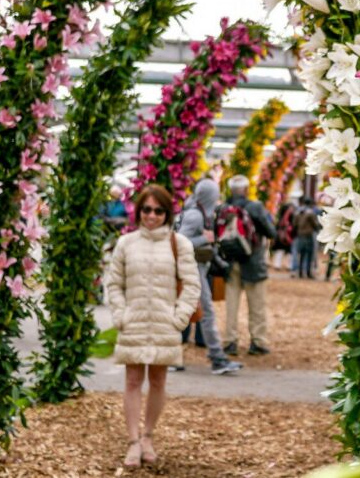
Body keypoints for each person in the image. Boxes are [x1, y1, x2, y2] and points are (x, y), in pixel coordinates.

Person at [104, 184, 200, 467]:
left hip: (164, 324)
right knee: (133, 381)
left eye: (159, 210)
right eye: (147, 209)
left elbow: (192, 285)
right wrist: (121, 314)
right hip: (133, 323)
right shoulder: (126, 243)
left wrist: (179, 318)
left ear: (167, 213)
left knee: (158, 380)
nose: (152, 215)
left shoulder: (179, 244)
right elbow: (114, 283)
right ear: (139, 212)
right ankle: (133, 441)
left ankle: (148, 436)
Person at [177, 178, 243, 375]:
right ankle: (217, 358)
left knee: (190, 312)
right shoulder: (196, 216)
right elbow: (181, 239)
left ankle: (172, 357)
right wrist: (203, 239)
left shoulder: (199, 212)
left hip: (197, 268)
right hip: (193, 269)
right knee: (206, 312)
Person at [220, 175, 276, 356]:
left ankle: (230, 341)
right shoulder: (255, 207)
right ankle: (258, 342)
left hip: (230, 261)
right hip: (253, 262)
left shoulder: (223, 208)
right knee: (257, 304)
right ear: (246, 190)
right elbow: (271, 232)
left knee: (231, 305)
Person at [292, 196, 321, 279]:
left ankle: (300, 272)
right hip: (309, 235)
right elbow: (315, 224)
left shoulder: (298, 212)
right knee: (309, 254)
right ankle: (308, 273)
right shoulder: (311, 213)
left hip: (300, 234)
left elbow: (294, 224)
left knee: (301, 254)